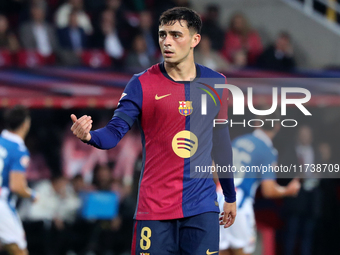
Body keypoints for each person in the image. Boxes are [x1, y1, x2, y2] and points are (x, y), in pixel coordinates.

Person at [70, 7, 236, 255]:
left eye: (176, 35)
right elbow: (114, 133)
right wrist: (90, 136)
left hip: (202, 207)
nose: (167, 42)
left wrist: (230, 196)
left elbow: (221, 143)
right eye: (162, 34)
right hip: (155, 208)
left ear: (195, 40)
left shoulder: (217, 83)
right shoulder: (141, 83)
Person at [217, 114, 301, 255]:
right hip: (239, 205)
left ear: (256, 123)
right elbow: (268, 190)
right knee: (242, 251)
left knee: (223, 250)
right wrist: (288, 190)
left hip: (219, 199)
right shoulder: (266, 150)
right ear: (277, 126)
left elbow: (217, 168)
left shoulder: (238, 140)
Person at [0, 105, 37, 255]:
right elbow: (16, 186)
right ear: (25, 124)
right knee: (19, 249)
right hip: (2, 203)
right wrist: (32, 194)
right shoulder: (18, 149)